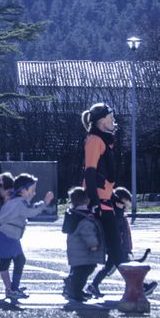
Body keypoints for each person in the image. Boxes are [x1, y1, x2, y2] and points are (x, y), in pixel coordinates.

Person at [0, 172, 53, 300]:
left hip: (6, 235)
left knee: (4, 265)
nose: (34, 193)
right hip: (9, 236)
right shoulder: (20, 202)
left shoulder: (13, 201)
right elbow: (31, 211)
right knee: (20, 260)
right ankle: (13, 288)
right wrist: (44, 203)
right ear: (23, 190)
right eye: (33, 190)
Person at [81, 102, 126, 299]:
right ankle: (137, 286)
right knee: (115, 247)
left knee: (115, 247)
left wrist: (112, 194)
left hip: (105, 199)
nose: (113, 120)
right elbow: (90, 173)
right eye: (110, 117)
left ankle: (88, 285)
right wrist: (95, 202)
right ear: (101, 121)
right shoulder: (94, 141)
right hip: (100, 202)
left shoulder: (104, 141)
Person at [62, 187, 103, 302]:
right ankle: (75, 291)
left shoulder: (74, 214)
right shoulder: (84, 216)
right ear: (86, 200)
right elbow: (87, 232)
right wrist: (93, 244)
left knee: (78, 271)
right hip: (84, 251)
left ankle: (74, 288)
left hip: (76, 250)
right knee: (85, 271)